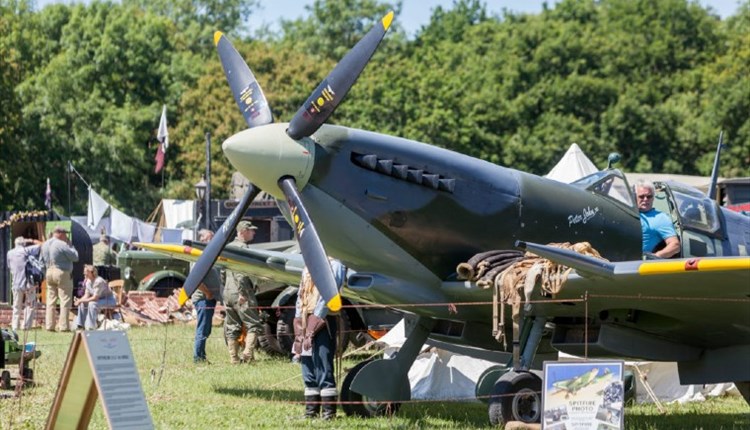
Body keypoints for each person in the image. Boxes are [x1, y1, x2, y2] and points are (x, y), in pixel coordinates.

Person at [293, 259, 347, 420]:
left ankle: (328, 413)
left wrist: (316, 319)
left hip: (324, 321)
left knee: (323, 366)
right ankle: (311, 412)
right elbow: (301, 292)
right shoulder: (309, 262)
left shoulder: (336, 264)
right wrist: (298, 324)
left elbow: (329, 293)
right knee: (307, 366)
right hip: (305, 317)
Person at [223, 221, 263, 364]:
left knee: (232, 326)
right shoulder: (242, 248)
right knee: (253, 323)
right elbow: (240, 273)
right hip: (242, 291)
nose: (254, 233)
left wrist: (227, 288)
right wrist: (242, 293)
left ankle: (234, 359)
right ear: (243, 231)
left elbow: (222, 271)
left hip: (227, 291)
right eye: (251, 230)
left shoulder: (228, 247)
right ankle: (247, 354)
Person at [192, 229, 223, 363]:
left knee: (206, 329)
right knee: (203, 328)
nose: (212, 240)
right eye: (209, 238)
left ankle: (201, 356)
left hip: (209, 299)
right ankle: (198, 358)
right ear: (202, 240)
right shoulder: (199, 255)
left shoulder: (209, 254)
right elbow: (195, 279)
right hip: (203, 299)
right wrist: (208, 293)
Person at [41, 225, 79, 332]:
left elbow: (40, 262)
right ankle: (64, 326)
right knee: (65, 299)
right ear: (60, 233)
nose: (66, 236)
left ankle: (49, 325)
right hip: (62, 272)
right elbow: (75, 257)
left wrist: (46, 272)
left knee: (50, 300)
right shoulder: (62, 244)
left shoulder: (45, 244)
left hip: (49, 271)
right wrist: (71, 246)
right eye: (65, 234)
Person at [635, 180, 680, 258]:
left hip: (637, 263)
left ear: (653, 198)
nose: (645, 199)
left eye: (649, 196)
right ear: (634, 197)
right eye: (641, 196)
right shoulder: (627, 212)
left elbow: (675, 245)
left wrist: (655, 257)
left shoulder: (660, 218)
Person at [6, 236, 43, 331]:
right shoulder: (26, 250)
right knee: (30, 305)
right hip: (29, 283)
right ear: (24, 243)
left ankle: (15, 326)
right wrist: (31, 240)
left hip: (16, 283)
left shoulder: (9, 253)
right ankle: (26, 326)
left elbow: (10, 267)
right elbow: (42, 245)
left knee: (16, 306)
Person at [73, 265, 116, 330]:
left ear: (92, 272)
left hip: (108, 300)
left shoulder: (99, 281)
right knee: (82, 304)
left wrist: (81, 300)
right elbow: (86, 295)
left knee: (92, 304)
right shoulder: (88, 281)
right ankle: (80, 325)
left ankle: (91, 326)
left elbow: (95, 298)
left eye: (86, 272)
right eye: (84, 272)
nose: (84, 273)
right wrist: (79, 300)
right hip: (99, 299)